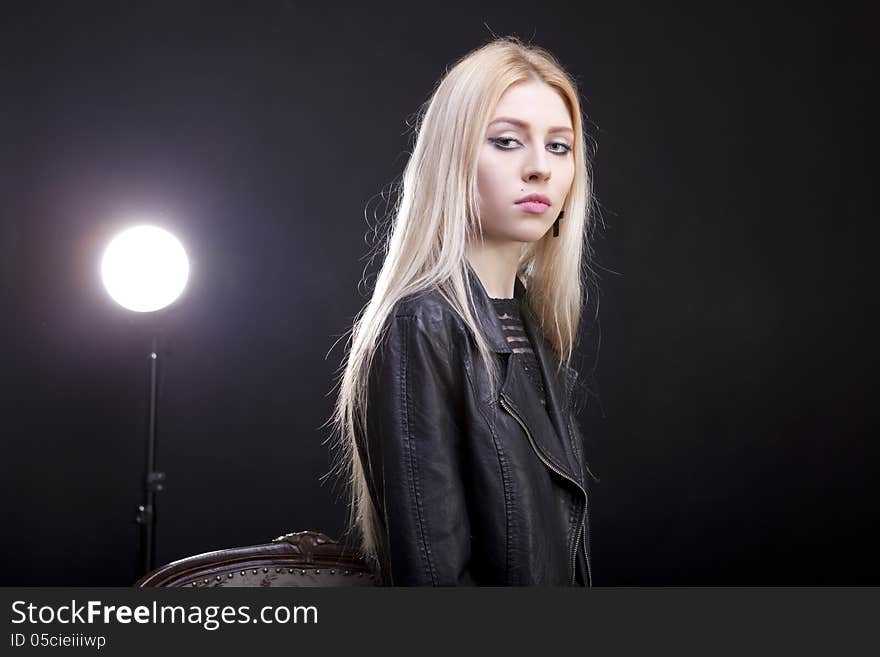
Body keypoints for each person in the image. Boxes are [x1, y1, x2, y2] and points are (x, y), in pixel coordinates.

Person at [325, 36, 600, 586]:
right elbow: (432, 579)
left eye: (559, 147)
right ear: (453, 160)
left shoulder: (531, 325)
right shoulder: (421, 324)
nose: (539, 168)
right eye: (505, 141)